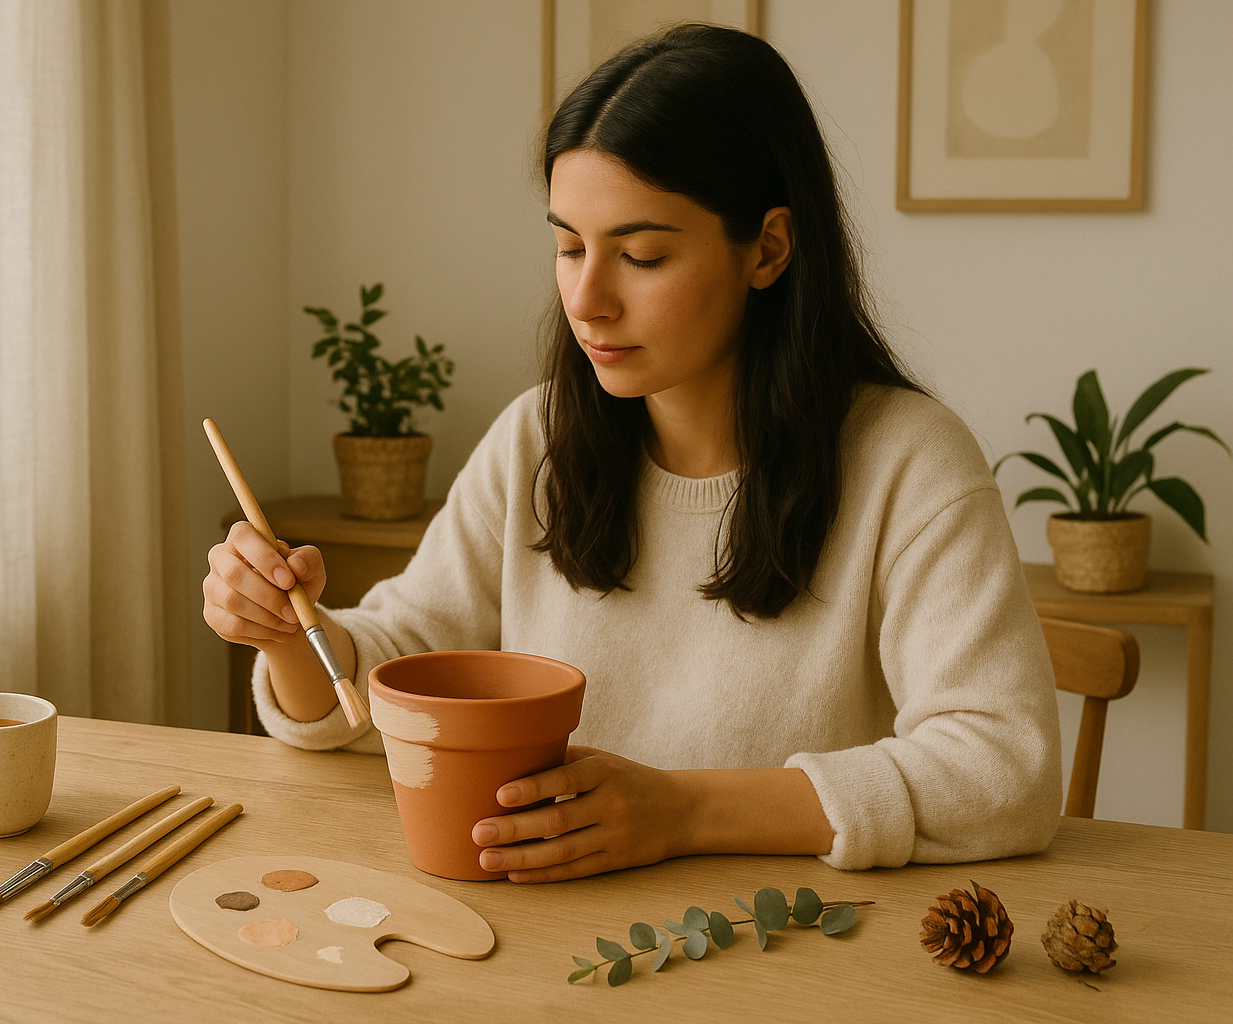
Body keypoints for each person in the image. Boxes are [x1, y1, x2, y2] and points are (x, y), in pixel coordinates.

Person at [203, 24, 1062, 879]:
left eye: (641, 255)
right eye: (569, 247)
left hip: (787, 961)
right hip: (546, 943)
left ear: (767, 249)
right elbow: (390, 679)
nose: (587, 300)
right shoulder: (538, 439)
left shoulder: (908, 463)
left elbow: (1003, 770)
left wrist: (682, 813)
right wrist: (290, 635)